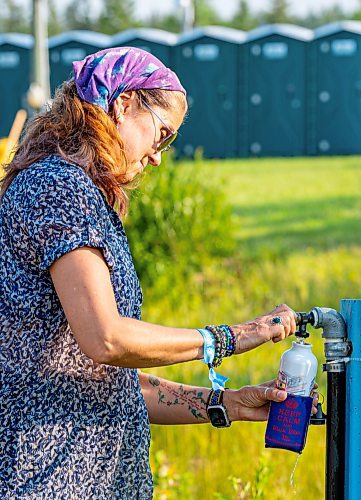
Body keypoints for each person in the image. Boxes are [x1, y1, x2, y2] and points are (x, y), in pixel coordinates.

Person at [0, 47, 317, 498]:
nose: (158, 156)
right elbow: (106, 338)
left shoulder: (85, 195)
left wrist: (224, 403)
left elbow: (110, 378)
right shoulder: (56, 186)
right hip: (49, 480)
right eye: (161, 134)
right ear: (124, 103)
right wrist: (228, 338)